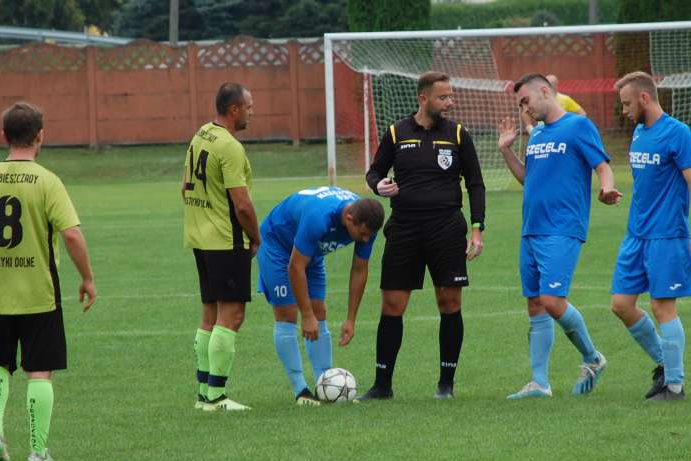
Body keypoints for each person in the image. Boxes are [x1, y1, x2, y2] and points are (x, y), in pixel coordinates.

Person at [0, 101, 97, 461]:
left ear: (3, 136)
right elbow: (71, 235)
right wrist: (87, 278)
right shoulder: (47, 181)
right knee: (40, 369)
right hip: (39, 293)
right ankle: (37, 450)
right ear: (40, 136)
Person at [357, 71, 486, 402]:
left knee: (450, 303)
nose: (449, 102)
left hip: (446, 229)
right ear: (423, 98)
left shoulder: (457, 134)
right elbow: (374, 171)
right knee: (393, 304)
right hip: (404, 229)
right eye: (443, 97)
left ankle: (446, 384)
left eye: (450, 96)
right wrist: (377, 185)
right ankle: (382, 385)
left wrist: (477, 228)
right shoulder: (396, 133)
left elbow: (475, 183)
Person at [498, 73, 622, 399]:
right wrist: (506, 151)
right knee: (536, 304)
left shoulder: (578, 126)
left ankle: (592, 357)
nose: (524, 107)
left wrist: (607, 188)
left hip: (562, 227)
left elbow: (603, 165)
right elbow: (529, 177)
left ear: (544, 91)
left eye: (525, 100)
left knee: (553, 301)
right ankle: (539, 383)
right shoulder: (537, 135)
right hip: (531, 228)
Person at [609, 71, 691, 401]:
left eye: (626, 103)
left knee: (661, 306)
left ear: (644, 98)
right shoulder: (639, 132)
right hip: (636, 235)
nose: (624, 111)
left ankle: (675, 386)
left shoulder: (677, 132)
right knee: (621, 305)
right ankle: (664, 364)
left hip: (667, 235)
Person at [257, 187, 384, 405]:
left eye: (369, 235)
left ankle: (324, 385)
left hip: (311, 250)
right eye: (362, 233)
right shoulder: (320, 218)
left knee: (320, 311)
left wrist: (350, 319)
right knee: (288, 313)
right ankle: (301, 391)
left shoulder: (367, 224)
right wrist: (306, 316)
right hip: (277, 244)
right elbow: (296, 267)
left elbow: (359, 270)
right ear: (348, 217)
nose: (365, 239)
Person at [183, 82, 260, 412]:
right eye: (249, 107)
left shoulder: (201, 134)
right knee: (233, 314)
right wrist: (255, 236)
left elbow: (184, 187)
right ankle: (216, 396)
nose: (251, 113)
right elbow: (241, 204)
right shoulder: (229, 146)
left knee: (209, 314)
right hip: (226, 241)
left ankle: (204, 392)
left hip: (201, 237)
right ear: (234, 110)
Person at [521, 74, 586, 134]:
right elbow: (525, 111)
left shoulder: (565, 99)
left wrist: (572, 126)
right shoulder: (539, 99)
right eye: (545, 83)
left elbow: (582, 113)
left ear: (556, 85)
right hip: (543, 132)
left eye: (550, 84)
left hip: (560, 133)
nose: (547, 86)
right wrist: (529, 128)